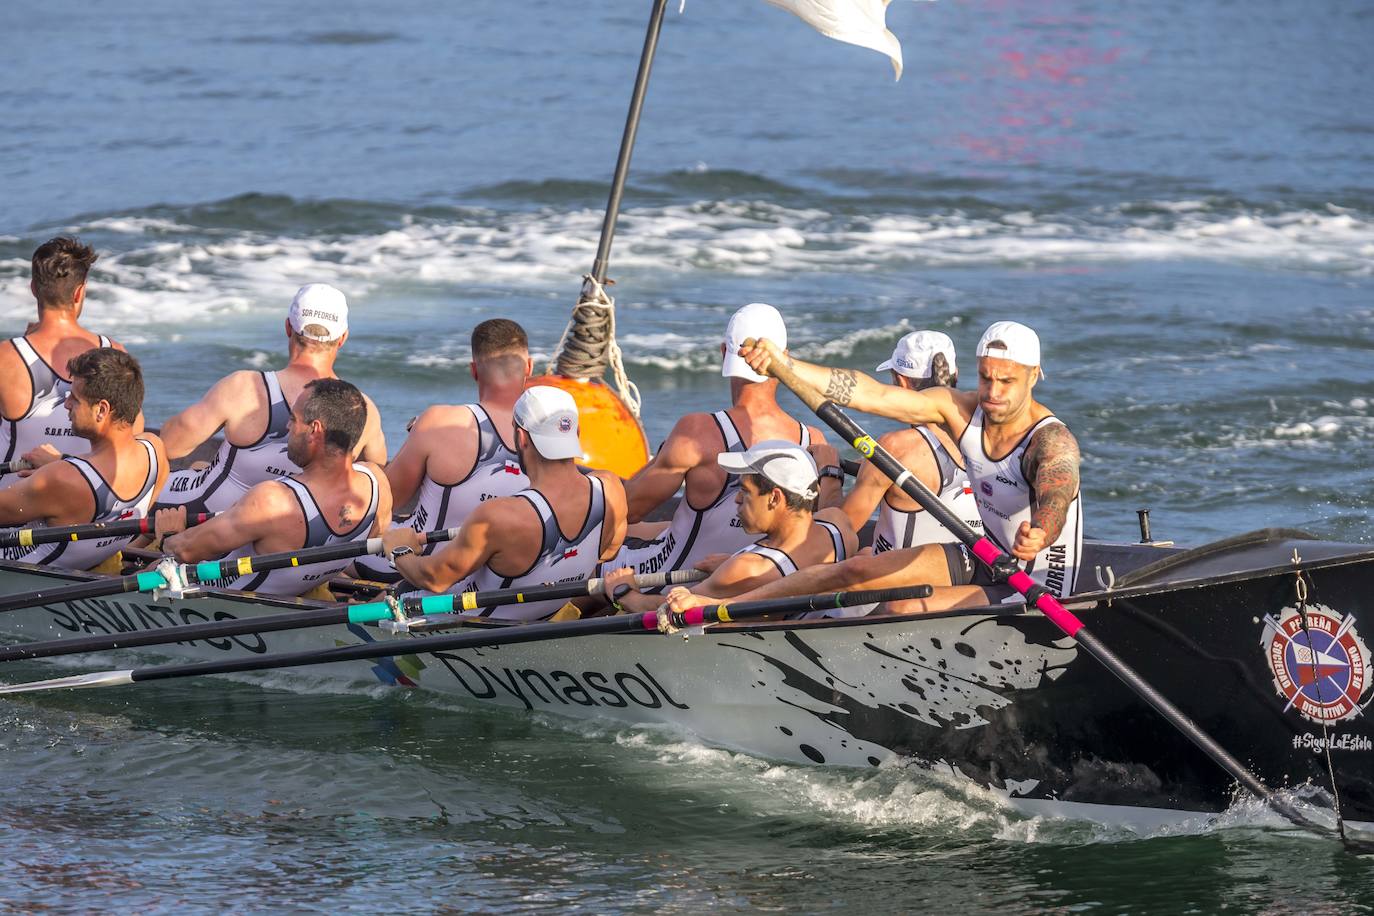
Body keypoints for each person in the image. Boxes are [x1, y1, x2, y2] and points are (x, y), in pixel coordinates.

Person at [716, 321, 1082, 613]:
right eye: (986, 377)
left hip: (1040, 586)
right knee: (855, 570)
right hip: (989, 557)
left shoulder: (1050, 440)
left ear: (1033, 376)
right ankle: (725, 608)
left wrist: (1041, 532)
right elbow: (872, 395)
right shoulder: (960, 409)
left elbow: (1057, 493)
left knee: (904, 606)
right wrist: (786, 365)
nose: (993, 392)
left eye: (1007, 382)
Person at [610, 303, 834, 588]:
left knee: (589, 553)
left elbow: (627, 509)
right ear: (785, 359)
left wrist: (657, 461)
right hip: (753, 584)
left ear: (723, 353)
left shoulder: (699, 432)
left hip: (671, 583)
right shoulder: (813, 441)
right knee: (652, 529)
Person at [380, 386, 628, 622]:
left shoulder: (501, 516)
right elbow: (608, 552)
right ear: (576, 433)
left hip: (466, 628)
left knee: (399, 590)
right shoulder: (611, 489)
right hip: (536, 618)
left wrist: (400, 551)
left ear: (521, 437)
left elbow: (433, 578)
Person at [153, 283, 387, 515]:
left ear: (288, 327)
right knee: (199, 467)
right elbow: (376, 477)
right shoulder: (362, 410)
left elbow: (170, 445)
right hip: (293, 530)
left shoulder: (244, 388)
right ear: (343, 338)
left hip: (210, 517)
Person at [154, 379, 391, 598]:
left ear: (314, 430)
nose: (288, 427)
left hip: (223, 604)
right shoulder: (377, 483)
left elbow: (184, 551)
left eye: (294, 419)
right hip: (298, 592)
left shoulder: (274, 502)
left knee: (155, 560)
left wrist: (169, 534)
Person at [352, 318, 530, 583]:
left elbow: (391, 499)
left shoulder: (441, 421)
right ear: (529, 367)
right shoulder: (547, 433)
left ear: (473, 370)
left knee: (336, 538)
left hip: (418, 567)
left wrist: (420, 440)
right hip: (496, 572)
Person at [606, 440, 855, 615]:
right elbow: (828, 506)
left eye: (745, 491)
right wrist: (830, 473)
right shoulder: (838, 527)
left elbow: (668, 609)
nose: (736, 499)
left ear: (775, 497)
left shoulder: (746, 569)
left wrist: (625, 593)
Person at [0, 348, 168, 571]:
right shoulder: (155, 451)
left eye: (75, 399)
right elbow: (99, 483)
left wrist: (61, 468)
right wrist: (63, 461)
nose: (67, 404)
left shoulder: (61, 479)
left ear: (101, 410)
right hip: (85, 564)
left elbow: (74, 483)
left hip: (18, 576)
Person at [0, 237, 130, 489]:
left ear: (33, 289)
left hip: (11, 511)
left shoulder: (6, 358)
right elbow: (130, 444)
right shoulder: (115, 353)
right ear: (80, 292)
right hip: (87, 506)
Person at [842, 330, 982, 552]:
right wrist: (868, 466)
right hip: (966, 570)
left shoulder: (896, 448)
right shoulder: (987, 435)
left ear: (900, 382)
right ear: (955, 373)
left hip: (900, 577)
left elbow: (841, 529)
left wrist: (828, 471)